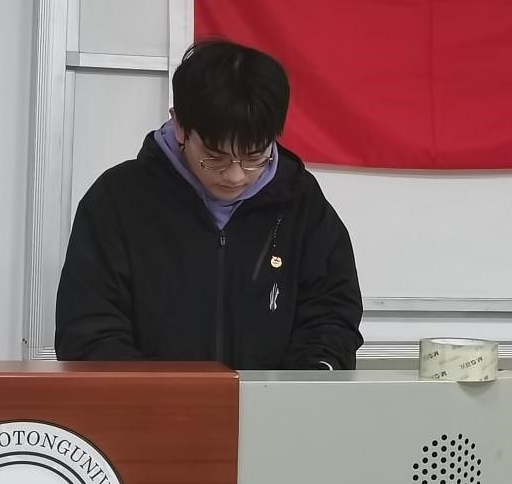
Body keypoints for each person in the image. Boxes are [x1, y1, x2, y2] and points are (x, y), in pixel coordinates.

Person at [55, 39, 363, 369]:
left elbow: (331, 316)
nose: (235, 176)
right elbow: (89, 331)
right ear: (181, 125)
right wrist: (164, 395)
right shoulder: (117, 200)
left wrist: (306, 380)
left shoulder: (301, 202)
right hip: (152, 401)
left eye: (254, 157)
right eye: (215, 158)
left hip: (273, 401)